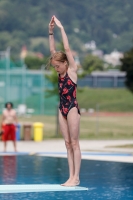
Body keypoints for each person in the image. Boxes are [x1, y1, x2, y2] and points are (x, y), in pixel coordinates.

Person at [49, 16, 81, 187]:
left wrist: (61, 29)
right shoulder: (59, 73)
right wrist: (50, 32)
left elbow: (66, 49)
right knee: (67, 143)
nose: (56, 68)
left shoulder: (72, 71)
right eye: (54, 66)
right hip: (61, 108)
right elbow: (53, 50)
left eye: (58, 65)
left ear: (65, 63)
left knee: (75, 142)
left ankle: (76, 177)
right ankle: (70, 177)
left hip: (72, 108)